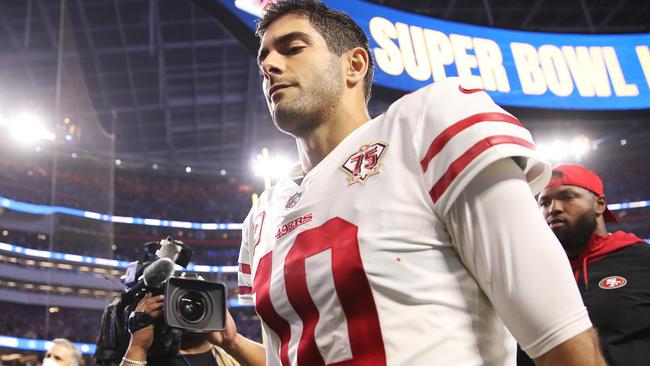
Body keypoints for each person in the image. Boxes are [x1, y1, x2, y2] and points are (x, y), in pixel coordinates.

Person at [237, 1, 607, 365]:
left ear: (354, 65)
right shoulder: (261, 217)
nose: (269, 65)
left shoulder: (426, 122)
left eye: (293, 48)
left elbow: (558, 331)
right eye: (264, 57)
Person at [530, 163, 650, 365]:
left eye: (567, 197)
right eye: (544, 202)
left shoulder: (641, 260)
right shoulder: (534, 273)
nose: (554, 208)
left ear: (599, 205)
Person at [119, 293, 264, 366]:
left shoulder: (230, 356)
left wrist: (232, 341)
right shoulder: (146, 358)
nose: (190, 309)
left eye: (199, 302)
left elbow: (282, 362)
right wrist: (138, 347)